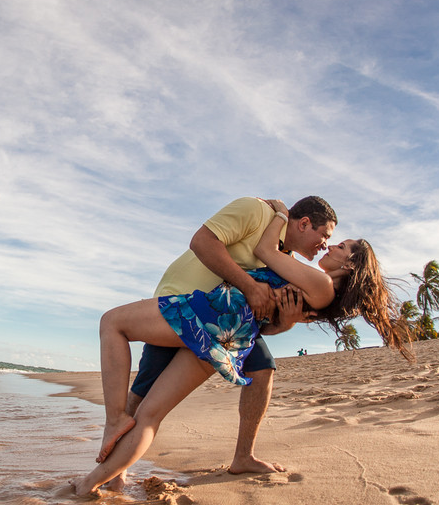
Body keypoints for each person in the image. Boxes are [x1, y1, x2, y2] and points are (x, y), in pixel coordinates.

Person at [71, 205, 411, 498]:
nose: (332, 246)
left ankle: (111, 429)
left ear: (350, 265)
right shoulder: (316, 288)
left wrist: (280, 213)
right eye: (333, 239)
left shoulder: (321, 285)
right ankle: (92, 484)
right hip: (231, 336)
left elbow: (265, 250)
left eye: (342, 246)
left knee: (112, 323)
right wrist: (285, 319)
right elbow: (271, 319)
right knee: (150, 415)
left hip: (213, 313)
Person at [110, 195, 338, 480]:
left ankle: (244, 456)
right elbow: (201, 242)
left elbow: (263, 323)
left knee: (263, 367)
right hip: (181, 301)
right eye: (325, 235)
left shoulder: (285, 260)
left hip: (225, 320)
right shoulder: (256, 211)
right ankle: (114, 471)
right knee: (144, 389)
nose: (326, 244)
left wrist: (287, 323)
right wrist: (249, 286)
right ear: (304, 223)